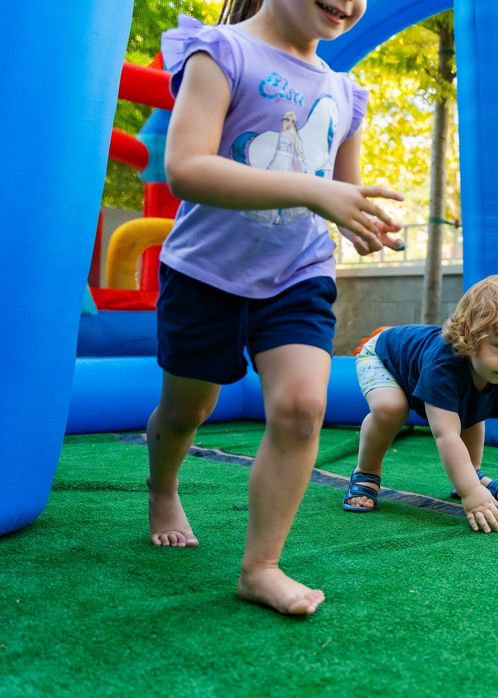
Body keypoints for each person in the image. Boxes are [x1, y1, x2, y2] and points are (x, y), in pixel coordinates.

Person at [146, 0, 403, 616]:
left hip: (297, 275)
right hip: (206, 273)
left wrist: (364, 223)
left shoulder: (344, 93)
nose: (348, 3)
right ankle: (162, 487)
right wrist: (314, 190)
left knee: (301, 408)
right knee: (189, 409)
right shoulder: (222, 52)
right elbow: (185, 169)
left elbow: (341, 189)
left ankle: (260, 567)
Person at [343, 275, 498, 532]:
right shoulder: (443, 367)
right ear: (471, 336)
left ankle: (472, 470)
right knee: (391, 409)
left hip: (423, 363)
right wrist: (471, 492)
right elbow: (446, 435)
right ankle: (366, 471)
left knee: (474, 407)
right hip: (383, 356)